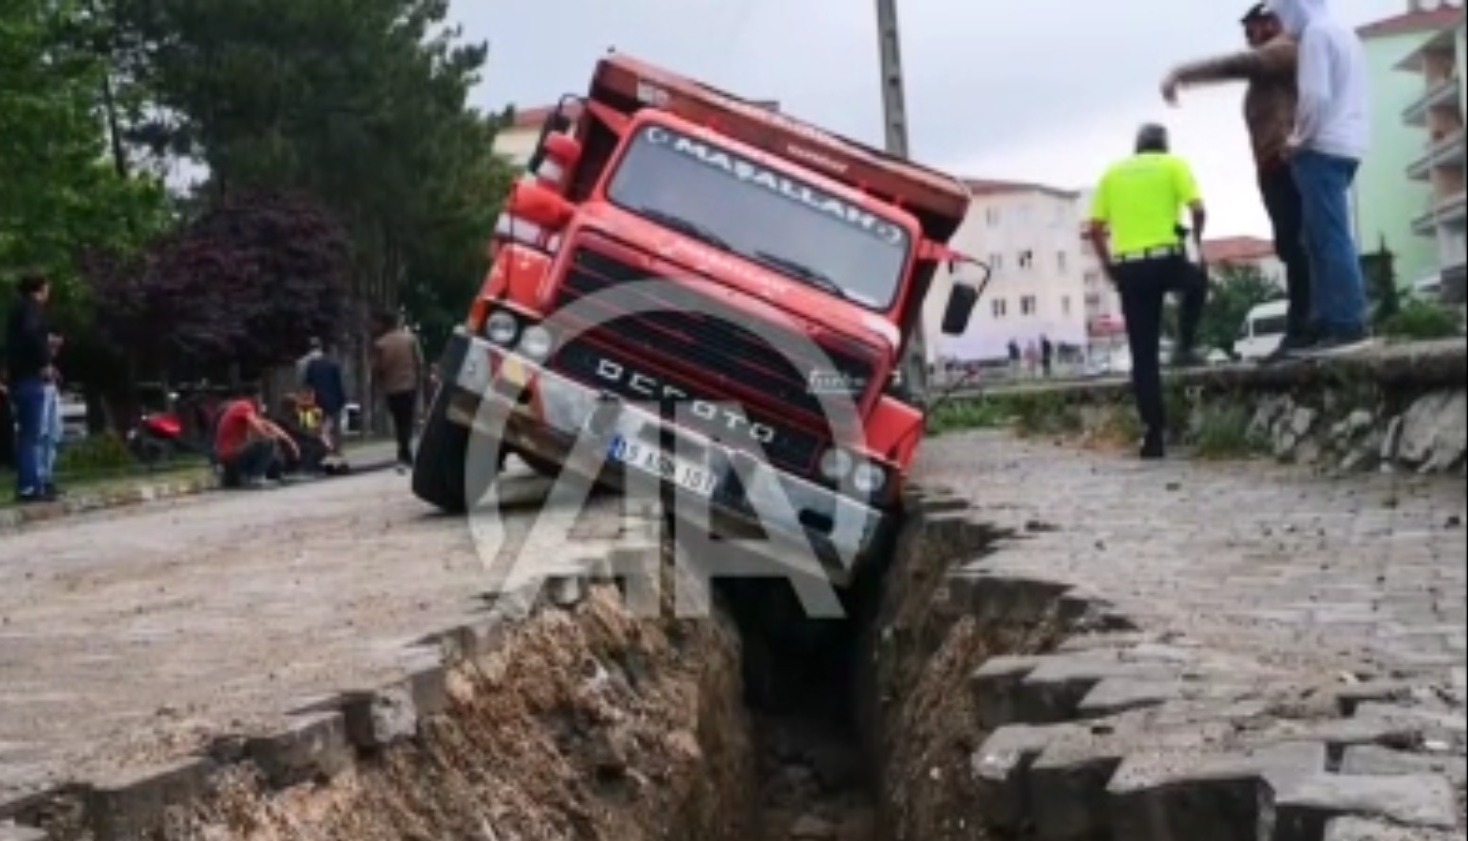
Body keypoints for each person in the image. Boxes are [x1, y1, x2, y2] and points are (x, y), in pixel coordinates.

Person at [1162, 3, 1312, 362]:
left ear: (1272, 23)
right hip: (1272, 165)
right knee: (1291, 246)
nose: (1248, 34)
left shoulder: (1283, 50)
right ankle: (1304, 326)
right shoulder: (1274, 62)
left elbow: (1240, 64)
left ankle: (1303, 329)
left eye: (1253, 26)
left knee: (1296, 247)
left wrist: (1182, 74)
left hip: (1285, 161)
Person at [1087, 123, 1209, 460]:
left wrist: (1108, 265)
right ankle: (1185, 342)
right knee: (1198, 282)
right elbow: (1198, 209)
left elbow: (1095, 228)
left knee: (1144, 357)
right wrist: (1195, 243)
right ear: (1163, 146)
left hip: (1130, 269)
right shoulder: (1173, 165)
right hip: (1167, 260)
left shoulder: (1112, 173)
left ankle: (1153, 434)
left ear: (1136, 147)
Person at [1271, 0, 1372, 356]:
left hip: (1322, 146)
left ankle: (1346, 323)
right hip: (1349, 145)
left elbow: (1315, 96)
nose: (1282, 22)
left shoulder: (1315, 35)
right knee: (1319, 236)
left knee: (1328, 237)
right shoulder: (1346, 33)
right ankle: (1330, 319)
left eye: (1282, 12)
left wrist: (1297, 140)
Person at [5, 274, 56, 503]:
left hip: (21, 376)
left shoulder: (19, 310)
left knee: (32, 434)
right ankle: (29, 485)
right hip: (28, 378)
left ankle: (35, 483)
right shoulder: (31, 310)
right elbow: (32, 335)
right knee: (31, 435)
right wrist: (44, 361)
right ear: (40, 288)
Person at [213, 387, 299, 488]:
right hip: (231, 456)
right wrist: (271, 440)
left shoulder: (242, 408)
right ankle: (255, 477)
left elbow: (268, 425)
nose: (262, 405)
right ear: (256, 398)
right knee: (268, 442)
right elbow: (258, 427)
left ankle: (242, 477)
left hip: (232, 456)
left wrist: (291, 443)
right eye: (261, 401)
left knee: (271, 446)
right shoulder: (244, 406)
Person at [372, 311, 425, 471]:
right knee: (407, 420)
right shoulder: (410, 339)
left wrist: (378, 384)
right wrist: (419, 381)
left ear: (384, 325)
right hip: (409, 385)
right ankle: (406, 451)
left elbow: (377, 368)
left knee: (398, 420)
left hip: (392, 388)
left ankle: (403, 452)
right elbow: (420, 362)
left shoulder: (380, 344)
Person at [302, 345, 346, 452]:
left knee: (313, 427)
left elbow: (308, 384)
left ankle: (318, 449)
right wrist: (342, 400)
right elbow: (338, 384)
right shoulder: (334, 364)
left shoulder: (310, 365)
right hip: (331, 401)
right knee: (331, 427)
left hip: (314, 400)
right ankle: (333, 448)